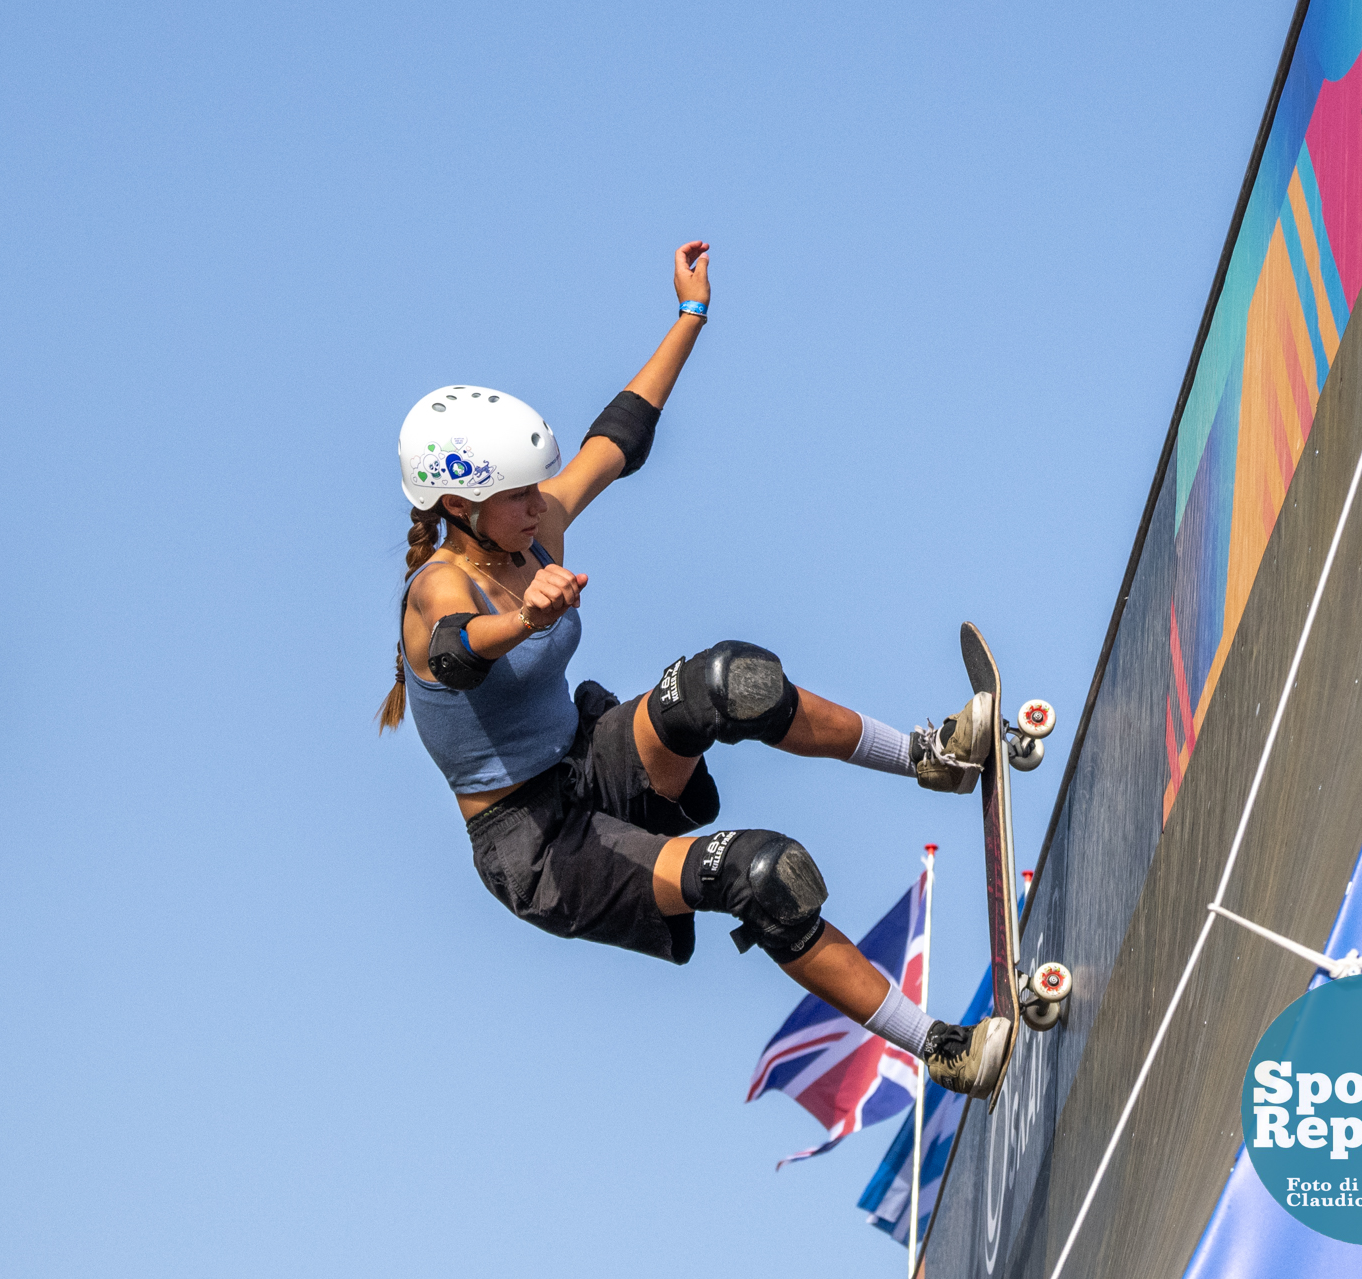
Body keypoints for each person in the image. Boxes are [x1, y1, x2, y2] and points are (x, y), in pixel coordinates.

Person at [378, 241, 1011, 1097]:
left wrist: (691, 314)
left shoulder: (535, 527)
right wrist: (523, 617)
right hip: (539, 842)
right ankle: (942, 1047)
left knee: (729, 680)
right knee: (760, 874)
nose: (543, 502)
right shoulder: (437, 587)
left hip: (587, 751)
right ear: (458, 505)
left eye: (538, 489)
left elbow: (621, 435)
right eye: (520, 494)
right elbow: (454, 651)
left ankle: (929, 758)